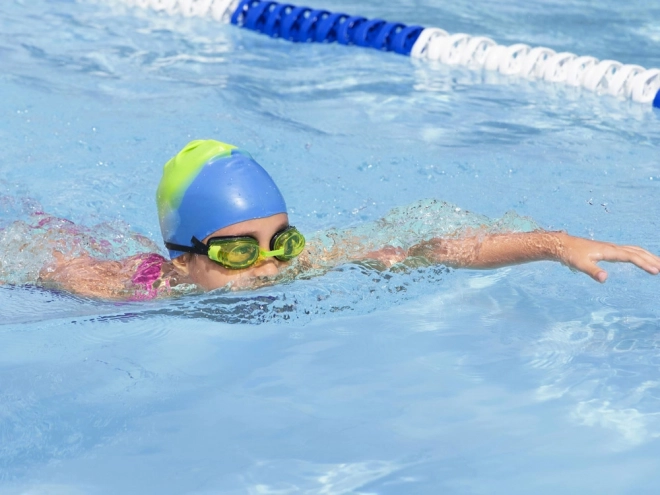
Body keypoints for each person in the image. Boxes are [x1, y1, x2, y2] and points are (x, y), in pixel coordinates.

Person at [33, 139, 660, 300]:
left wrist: (555, 243)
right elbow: (40, 270)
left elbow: (430, 249)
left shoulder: (304, 265)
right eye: (239, 253)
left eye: (281, 241)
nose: (272, 265)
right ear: (185, 260)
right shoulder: (132, 286)